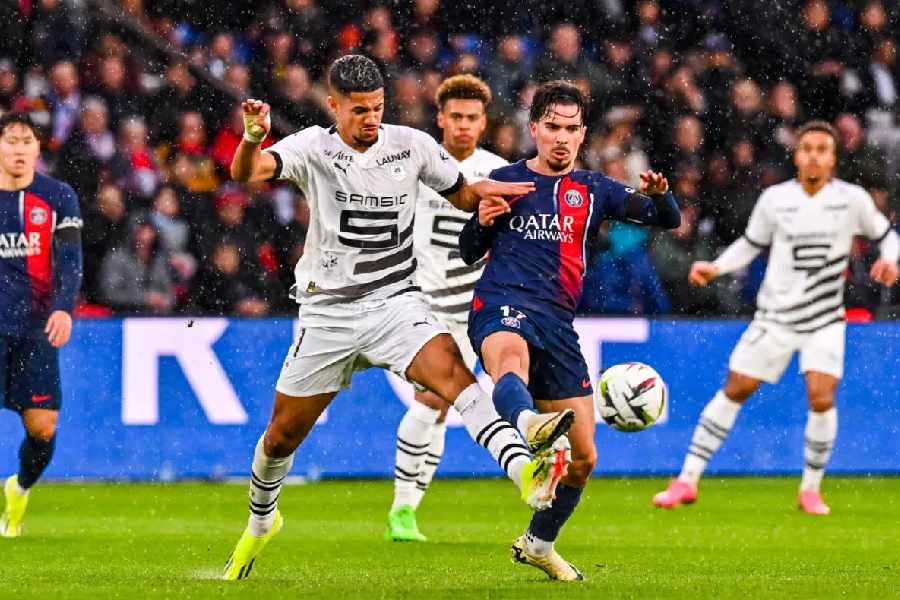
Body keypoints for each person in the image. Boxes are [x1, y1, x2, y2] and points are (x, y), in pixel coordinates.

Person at [223, 55, 575, 580]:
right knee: (280, 438)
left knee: (454, 378)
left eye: (378, 108)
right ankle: (261, 521)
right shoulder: (312, 147)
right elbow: (247, 172)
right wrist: (253, 138)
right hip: (328, 314)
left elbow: (461, 193)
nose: (371, 119)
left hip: (396, 303)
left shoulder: (411, 145)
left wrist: (485, 198)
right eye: (360, 110)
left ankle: (525, 471)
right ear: (334, 105)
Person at [459, 81, 681, 580]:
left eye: (571, 129)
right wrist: (482, 221)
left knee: (583, 459)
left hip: (557, 322)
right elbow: (468, 250)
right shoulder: (505, 179)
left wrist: (661, 195)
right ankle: (528, 426)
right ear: (534, 129)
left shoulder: (595, 189)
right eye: (552, 127)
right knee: (509, 361)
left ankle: (538, 544)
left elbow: (667, 219)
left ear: (582, 134)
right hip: (501, 303)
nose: (561, 138)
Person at [653, 121, 900, 515]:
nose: (814, 155)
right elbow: (751, 243)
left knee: (821, 396)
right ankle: (686, 479)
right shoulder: (775, 199)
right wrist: (717, 267)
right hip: (776, 316)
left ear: (833, 158)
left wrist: (890, 259)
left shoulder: (851, 199)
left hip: (824, 318)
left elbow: (888, 235)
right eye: (807, 148)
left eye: (822, 149)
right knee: (735, 388)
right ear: (797, 155)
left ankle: (810, 489)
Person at [385, 74, 508, 542]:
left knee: (441, 407)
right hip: (416, 302)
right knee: (433, 399)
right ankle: (401, 509)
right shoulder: (415, 163)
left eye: (471, 117)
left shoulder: (498, 173)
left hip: (468, 310)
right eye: (455, 116)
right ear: (440, 118)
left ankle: (407, 511)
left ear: (484, 122)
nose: (463, 125)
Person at [0, 112, 83, 537]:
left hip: (34, 329)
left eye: (26, 141)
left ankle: (19, 488)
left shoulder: (57, 196)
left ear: (37, 148)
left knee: (43, 428)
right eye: (10, 140)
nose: (18, 149)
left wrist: (63, 308)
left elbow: (70, 259)